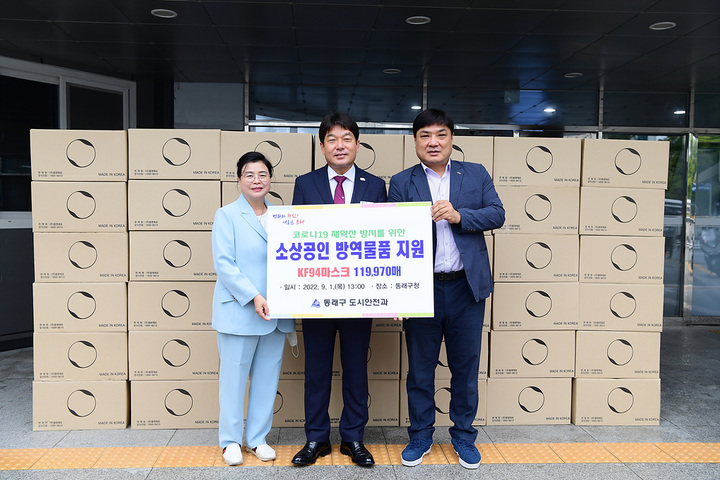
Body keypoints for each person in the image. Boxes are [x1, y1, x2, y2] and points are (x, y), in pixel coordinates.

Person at [388, 108, 504, 469]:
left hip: (466, 289)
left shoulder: (476, 174)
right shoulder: (402, 181)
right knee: (420, 370)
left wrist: (459, 216)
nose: (433, 142)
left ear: (452, 138)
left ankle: (464, 436)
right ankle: (421, 435)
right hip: (420, 289)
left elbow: (497, 213)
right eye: (425, 135)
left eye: (440, 134)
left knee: (465, 368)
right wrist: (396, 293)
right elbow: (390, 233)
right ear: (415, 141)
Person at [291, 112, 387, 467]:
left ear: (358, 145)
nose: (340, 145)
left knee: (355, 370)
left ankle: (353, 438)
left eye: (347, 138)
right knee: (316, 370)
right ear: (322, 147)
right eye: (332, 139)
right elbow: (297, 238)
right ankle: (316, 438)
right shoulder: (305, 183)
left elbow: (384, 239)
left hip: (359, 296)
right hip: (317, 295)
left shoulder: (375, 185)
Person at [211, 151, 296, 466]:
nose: (256, 180)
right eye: (249, 174)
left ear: (270, 179)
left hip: (276, 312)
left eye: (262, 174)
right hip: (241, 310)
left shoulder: (283, 216)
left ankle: (258, 438)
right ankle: (230, 441)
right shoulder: (227, 215)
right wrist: (254, 296)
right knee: (233, 379)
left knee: (266, 379)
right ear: (239, 180)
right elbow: (224, 264)